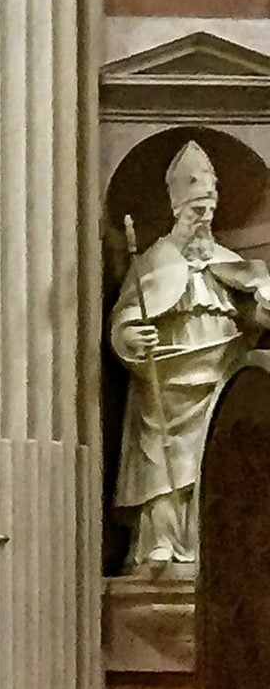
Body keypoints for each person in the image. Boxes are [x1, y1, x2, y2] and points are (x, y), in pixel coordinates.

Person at [109, 139, 269, 572]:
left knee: (210, 464)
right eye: (196, 211)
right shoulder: (153, 263)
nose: (204, 219)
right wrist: (130, 339)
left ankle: (205, 546)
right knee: (161, 465)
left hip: (219, 381)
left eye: (209, 212)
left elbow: (251, 318)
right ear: (177, 210)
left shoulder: (229, 263)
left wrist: (261, 305)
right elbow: (126, 316)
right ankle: (159, 543)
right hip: (164, 382)